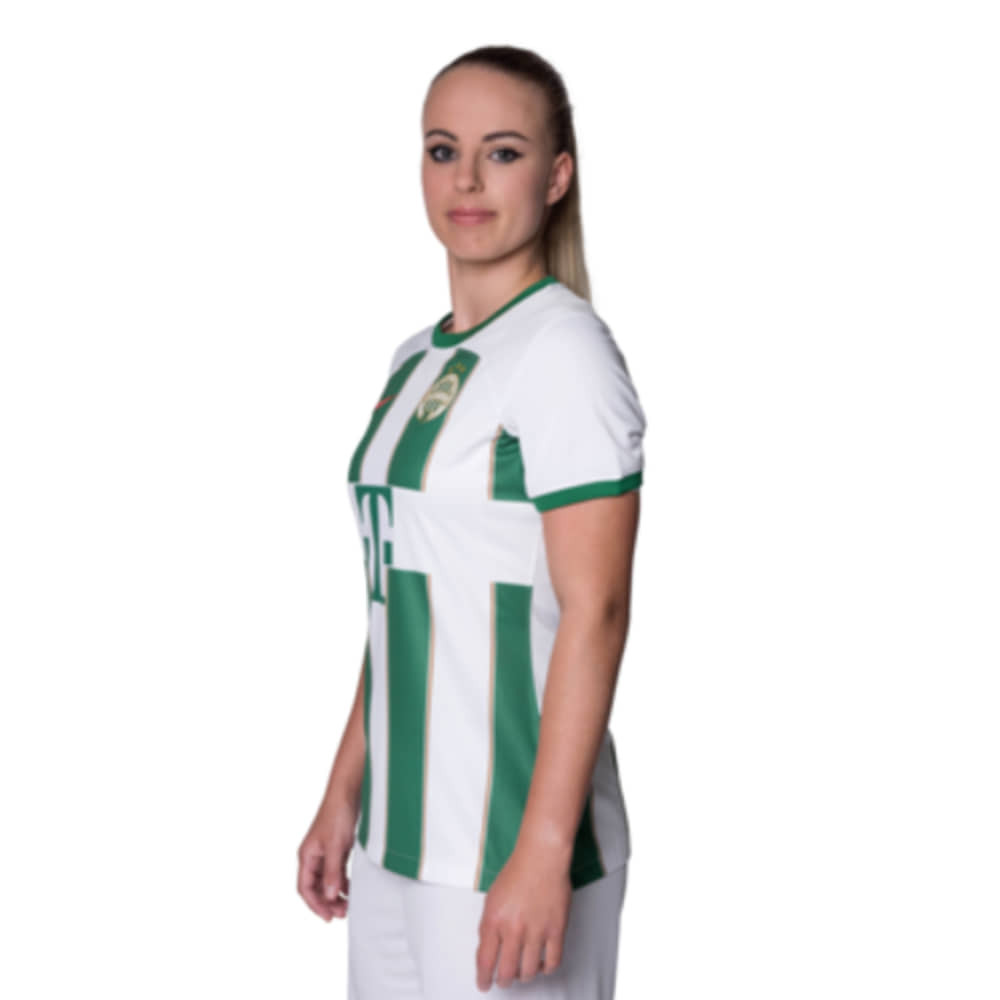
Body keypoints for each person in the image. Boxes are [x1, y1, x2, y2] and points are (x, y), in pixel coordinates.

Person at [297, 44, 646, 999]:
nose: (467, 179)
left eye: (503, 152)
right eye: (443, 149)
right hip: (395, 847)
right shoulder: (414, 360)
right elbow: (403, 601)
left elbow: (598, 611)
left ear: (556, 176)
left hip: (508, 854)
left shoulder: (564, 351)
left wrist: (541, 850)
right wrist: (343, 793)